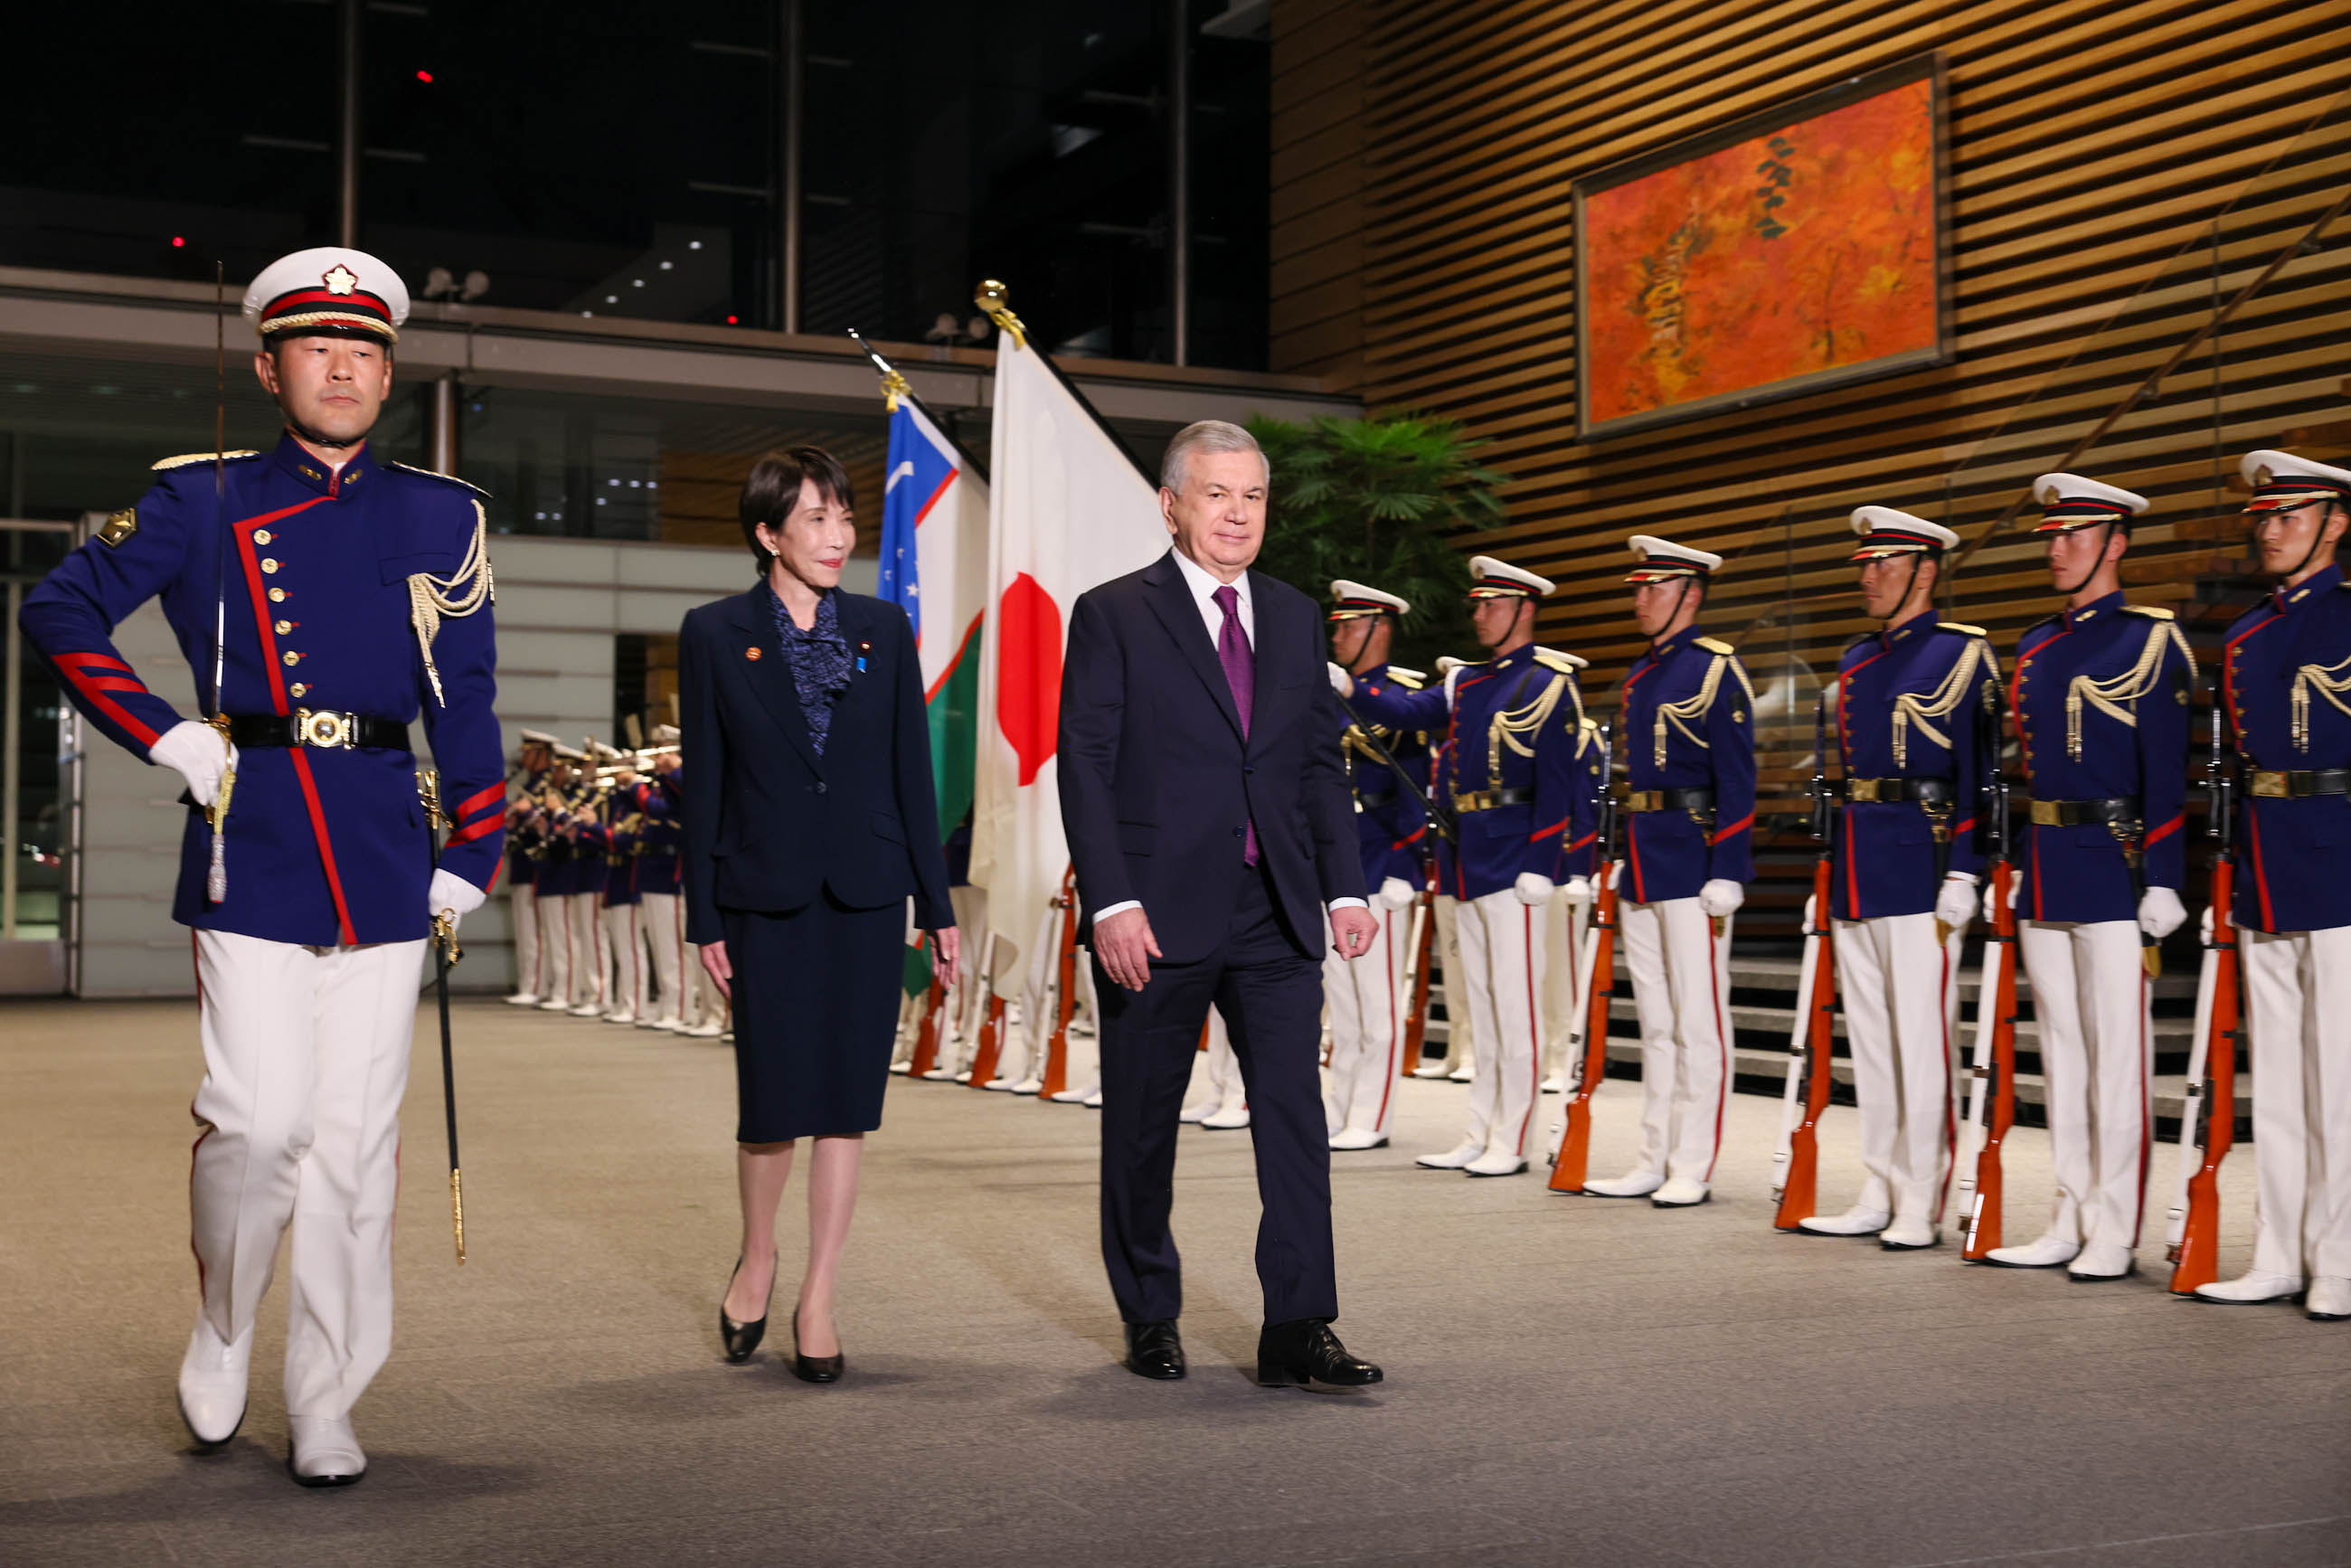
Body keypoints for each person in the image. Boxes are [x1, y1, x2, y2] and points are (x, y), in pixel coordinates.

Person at [19, 246, 501, 1485]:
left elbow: (469, 697)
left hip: (390, 852)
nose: (343, 368)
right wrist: (170, 733)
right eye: (317, 348)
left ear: (389, 368)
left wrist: (477, 846)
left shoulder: (440, 513)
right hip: (258, 837)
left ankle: (328, 1393)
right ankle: (225, 1319)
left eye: (366, 350)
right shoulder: (200, 498)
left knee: (353, 1145)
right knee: (258, 1118)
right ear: (271, 363)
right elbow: (59, 608)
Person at [1059, 419, 1384, 1389]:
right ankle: (1149, 1313)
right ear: (1171, 505)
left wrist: (1344, 883)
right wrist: (1109, 899)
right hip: (1152, 917)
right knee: (1142, 1124)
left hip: (1274, 912)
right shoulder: (1113, 612)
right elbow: (1084, 763)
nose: (1236, 514)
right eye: (1216, 494)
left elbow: (1315, 764)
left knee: (1292, 1117)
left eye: (1251, 496)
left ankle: (1297, 1324)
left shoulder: (1289, 616)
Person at [679, 446, 959, 1380]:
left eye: (845, 520)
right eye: (816, 520)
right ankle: (756, 1258)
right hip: (762, 893)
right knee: (771, 1102)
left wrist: (936, 898)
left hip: (868, 892)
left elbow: (906, 775)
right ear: (769, 534)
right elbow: (705, 786)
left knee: (847, 1103)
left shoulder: (883, 626)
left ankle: (820, 1295)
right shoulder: (715, 632)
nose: (838, 537)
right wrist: (704, 918)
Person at [1989, 474, 2192, 1280]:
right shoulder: (2037, 644)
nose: (2057, 549)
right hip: (2047, 868)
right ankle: (2068, 1215)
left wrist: (2167, 876)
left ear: (2117, 543)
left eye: (2074, 536)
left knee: (2116, 1060)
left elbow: (2168, 774)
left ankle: (2115, 1226)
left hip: (2117, 865)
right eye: (2051, 536)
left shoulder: (2149, 642)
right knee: (2061, 1058)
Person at [1340, 558, 1601, 1177]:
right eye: (1477, 604)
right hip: (1466, 855)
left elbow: (1559, 784)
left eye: (1491, 604)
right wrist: (1353, 690)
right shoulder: (1467, 683)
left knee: (1516, 1005)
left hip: (1516, 861)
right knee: (1482, 1005)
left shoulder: (1548, 682)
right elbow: (1408, 716)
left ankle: (1512, 1137)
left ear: (1523, 609)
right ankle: (1480, 1128)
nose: (1479, 614)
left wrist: (1545, 862)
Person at [1801, 508, 1996, 1251]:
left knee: (1922, 1042)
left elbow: (1981, 778)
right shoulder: (1856, 659)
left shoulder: (1963, 656)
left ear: (1926, 569)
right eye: (1865, 564)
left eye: (1884, 563)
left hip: (1924, 864)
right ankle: (1878, 1183)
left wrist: (1966, 869)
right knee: (1873, 1046)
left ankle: (1921, 1193)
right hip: (1860, 865)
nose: (1868, 576)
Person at [2199, 449, 2351, 1321]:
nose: (2269, 531)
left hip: (2339, 864)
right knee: (2281, 1084)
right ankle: (2278, 1251)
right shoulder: (2247, 634)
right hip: (2265, 864)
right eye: (2262, 518)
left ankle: (2337, 1258)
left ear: (2336, 523)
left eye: (2288, 516)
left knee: (2337, 1077)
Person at [1581, 536, 1756, 1208]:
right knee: (1654, 1022)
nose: (1640, 598)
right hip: (1648, 861)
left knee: (1698, 1022)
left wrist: (1729, 866)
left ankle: (1693, 1161)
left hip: (1695, 863)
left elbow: (1740, 780)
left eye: (1654, 587)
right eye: (1638, 587)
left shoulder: (1717, 671)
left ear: (1691, 593)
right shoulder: (1639, 676)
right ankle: (1652, 1155)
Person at [1323, 580, 1431, 1150]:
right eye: (1337, 625)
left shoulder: (1403, 696)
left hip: (1380, 857)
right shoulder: (1328, 693)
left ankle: (1372, 1113)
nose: (1337, 634)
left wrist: (1405, 866)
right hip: (1334, 861)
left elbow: (1415, 786)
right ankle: (1340, 1106)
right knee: (1341, 1002)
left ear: (1378, 629)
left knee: (1378, 1003)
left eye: (1349, 625)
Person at [633, 731, 688, 1030]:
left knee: (675, 947)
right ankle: (669, 1004)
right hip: (652, 868)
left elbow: (668, 809)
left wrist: (673, 770)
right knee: (660, 944)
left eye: (660, 748)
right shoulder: (663, 782)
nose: (656, 754)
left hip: (671, 867)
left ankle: (678, 1008)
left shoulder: (679, 777)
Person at [503, 731, 554, 1005]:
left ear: (541, 753)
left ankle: (535, 985)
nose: (523, 757)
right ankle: (530, 983)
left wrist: (524, 811)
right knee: (526, 930)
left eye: (528, 751)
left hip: (537, 864)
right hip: (522, 862)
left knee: (535, 930)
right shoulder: (531, 783)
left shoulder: (547, 785)